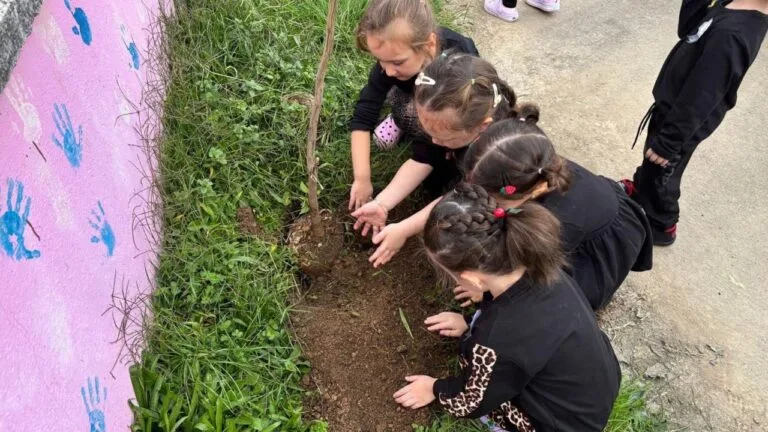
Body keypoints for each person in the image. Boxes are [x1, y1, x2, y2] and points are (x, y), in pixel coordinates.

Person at [392, 183, 620, 432]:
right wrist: (470, 324)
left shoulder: (495, 339)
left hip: (562, 424)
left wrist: (435, 389)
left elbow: (470, 402)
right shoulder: (539, 266)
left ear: (474, 280)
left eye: (450, 275)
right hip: (593, 389)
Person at [463, 118, 653, 310]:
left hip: (596, 247)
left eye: (496, 201)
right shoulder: (531, 165)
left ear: (536, 190)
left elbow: (524, 274)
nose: (487, 205)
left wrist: (486, 289)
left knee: (544, 298)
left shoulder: (555, 224)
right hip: (587, 212)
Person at [621, 0, 768, 245]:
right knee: (652, 163)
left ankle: (661, 223)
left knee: (662, 174)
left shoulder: (734, 34)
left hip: (683, 122)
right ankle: (641, 191)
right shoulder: (731, 4)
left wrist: (669, 142)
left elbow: (702, 95)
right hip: (673, 108)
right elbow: (689, 29)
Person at [354, 53, 525, 262]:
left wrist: (403, 230)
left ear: (483, 126)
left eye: (444, 137)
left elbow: (460, 197)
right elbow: (423, 157)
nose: (433, 141)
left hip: (496, 192)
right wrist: (382, 204)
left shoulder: (495, 157)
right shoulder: (451, 122)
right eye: (429, 131)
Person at [348, 0, 480, 211]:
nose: (388, 71)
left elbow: (433, 148)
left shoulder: (461, 62)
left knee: (443, 175)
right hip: (412, 96)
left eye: (397, 62)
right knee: (405, 109)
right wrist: (362, 178)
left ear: (429, 45)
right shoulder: (394, 59)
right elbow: (365, 111)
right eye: (380, 60)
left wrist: (447, 142)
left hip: (450, 107)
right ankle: (400, 119)